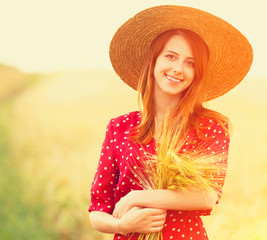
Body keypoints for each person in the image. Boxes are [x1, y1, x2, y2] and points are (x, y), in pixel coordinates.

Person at [88, 5, 252, 240]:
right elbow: (97, 211)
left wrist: (136, 197)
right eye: (171, 56)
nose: (178, 69)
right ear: (153, 60)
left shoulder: (209, 127)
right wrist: (122, 226)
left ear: (198, 73)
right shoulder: (119, 127)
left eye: (190, 63)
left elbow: (207, 195)